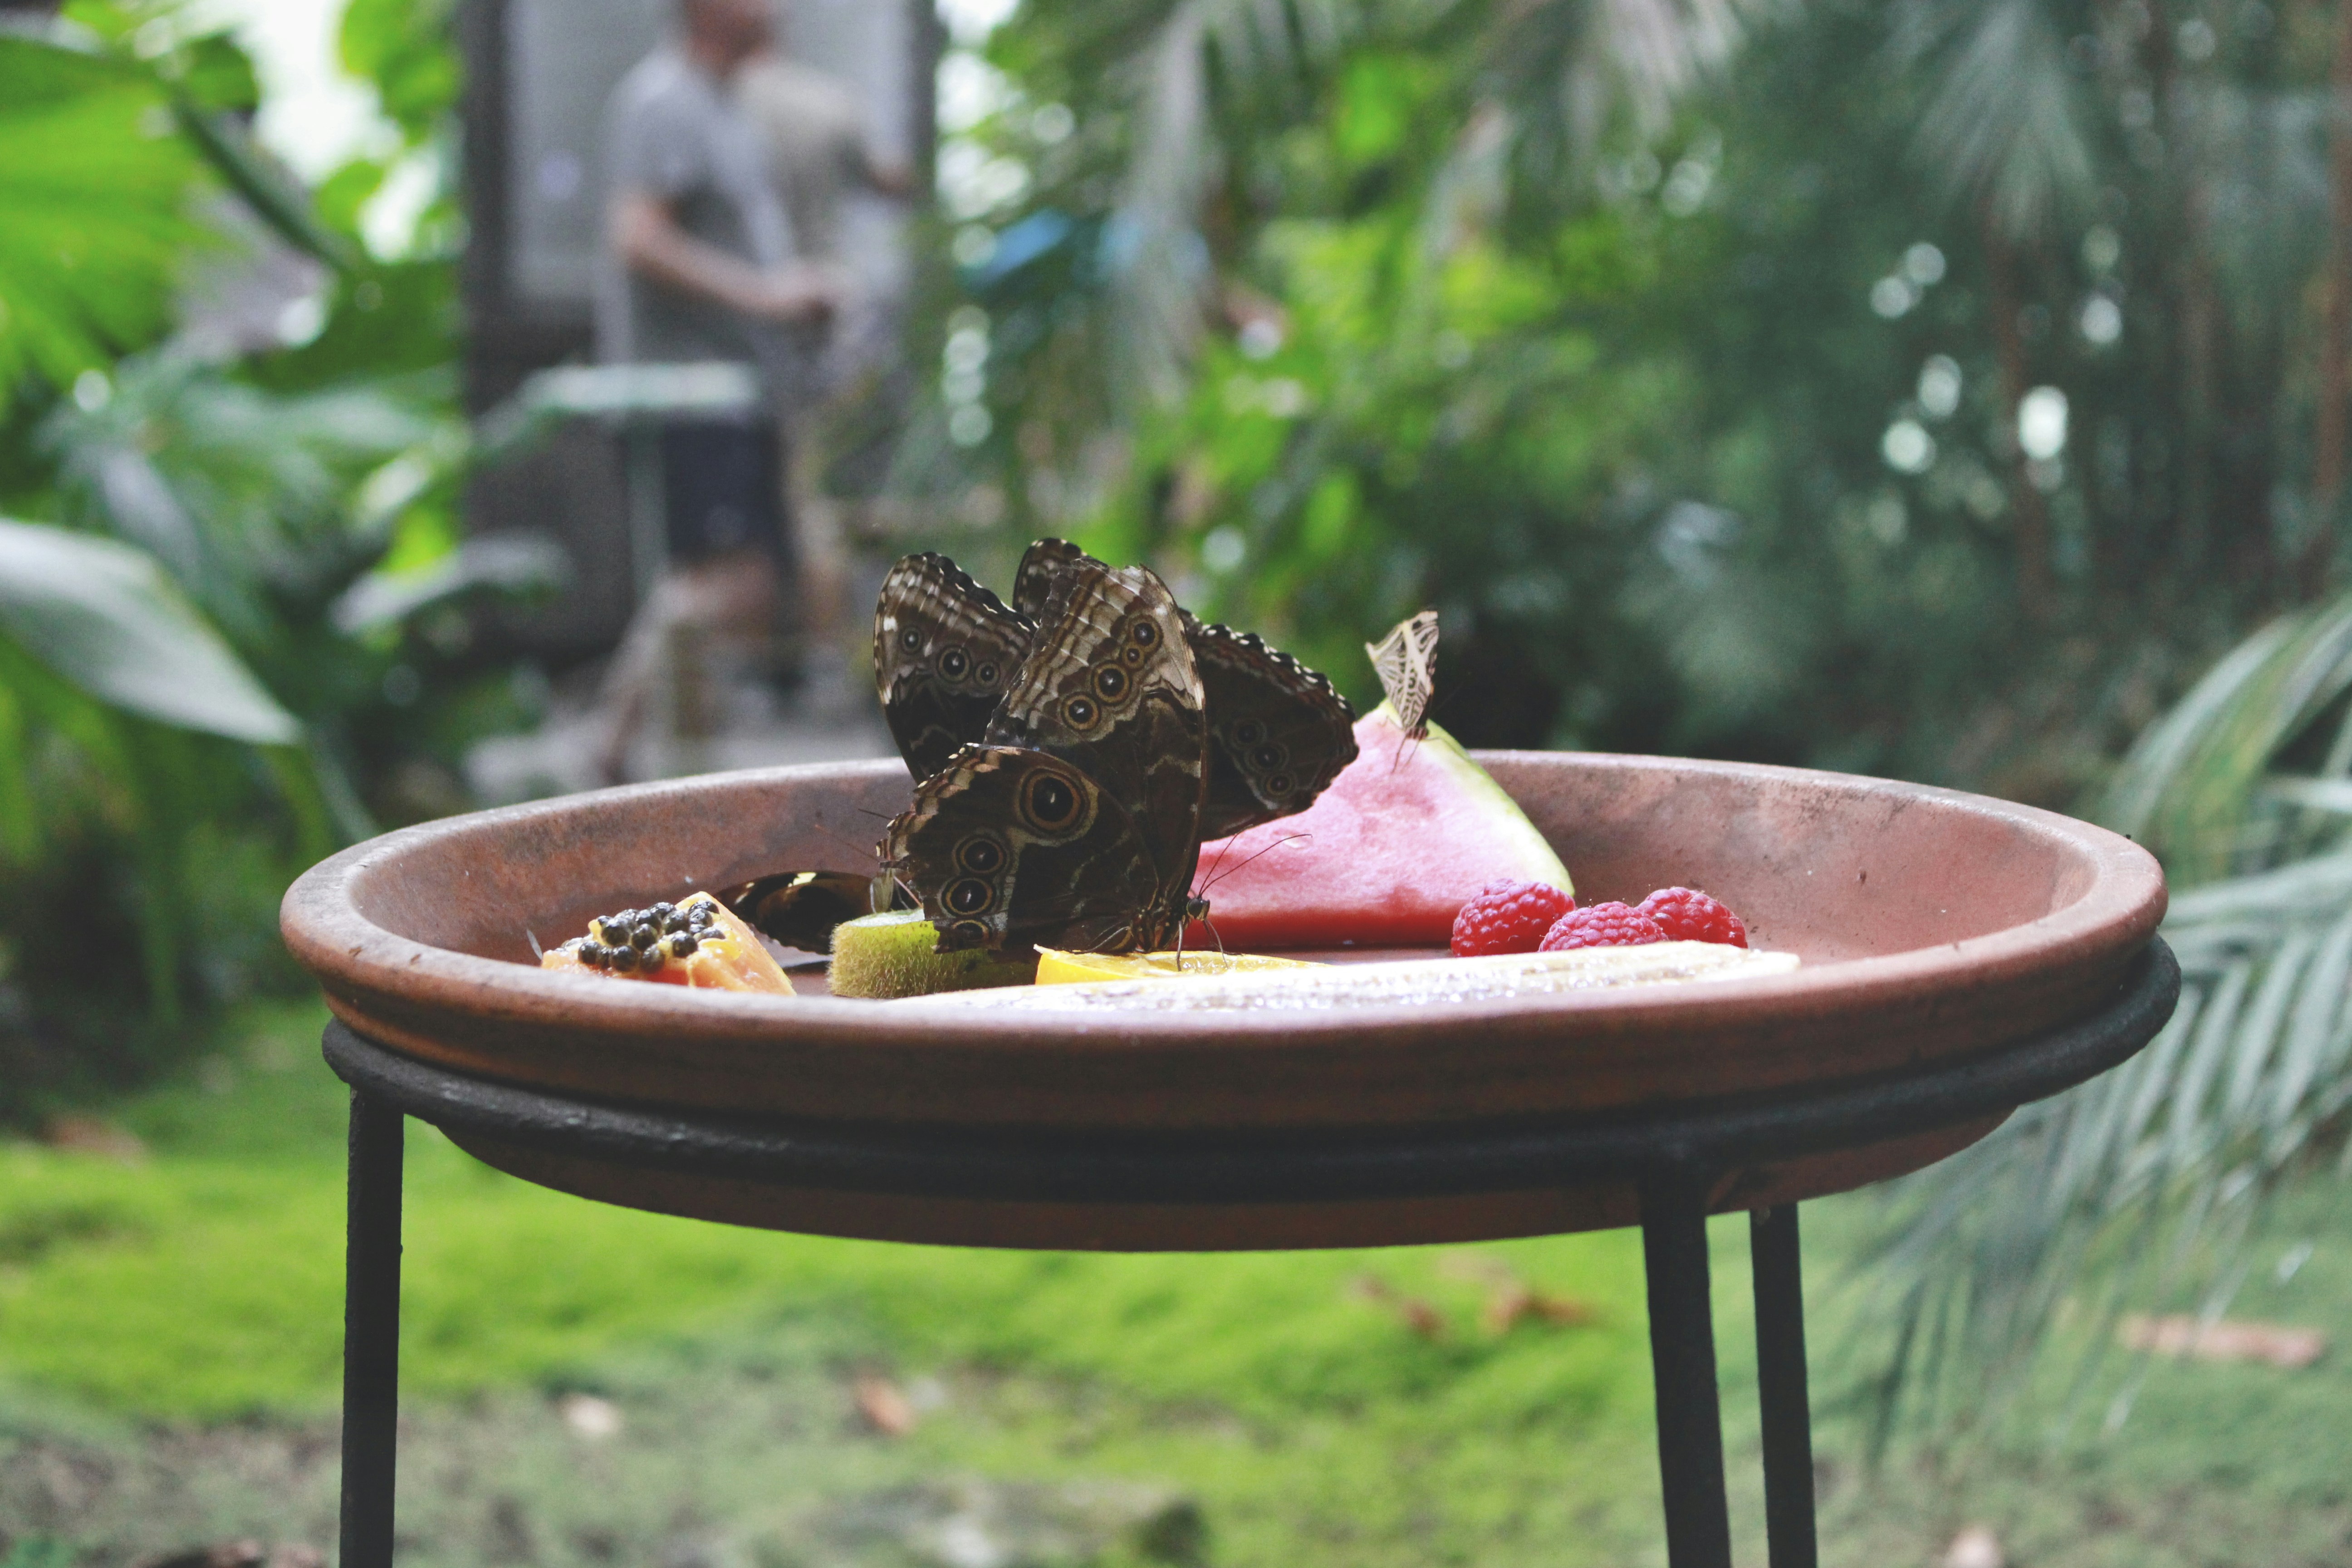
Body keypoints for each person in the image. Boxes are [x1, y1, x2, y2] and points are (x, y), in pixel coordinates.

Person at [591, 0, 841, 781]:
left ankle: (642, 750)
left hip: (742, 388)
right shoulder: (664, 101)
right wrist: (765, 296)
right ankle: (621, 742)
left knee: (737, 579)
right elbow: (638, 235)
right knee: (725, 575)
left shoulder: (726, 105)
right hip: (690, 390)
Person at [735, 24, 913, 702]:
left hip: (753, 332)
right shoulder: (828, 104)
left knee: (789, 506)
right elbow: (892, 181)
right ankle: (830, 664)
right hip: (829, 324)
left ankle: (797, 667)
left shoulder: (724, 109)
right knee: (823, 504)